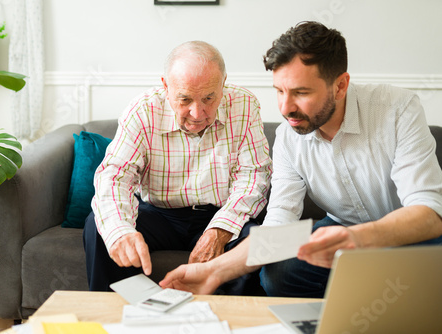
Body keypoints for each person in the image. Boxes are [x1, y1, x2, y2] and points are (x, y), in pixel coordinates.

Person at [159, 21, 442, 298]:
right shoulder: (288, 137)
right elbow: (279, 225)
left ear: (341, 86)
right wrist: (214, 271)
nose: (285, 107)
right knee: (278, 273)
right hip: (341, 227)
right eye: (279, 91)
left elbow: (429, 213)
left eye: (301, 93)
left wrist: (361, 238)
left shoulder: (397, 109)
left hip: (411, 232)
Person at [83, 40, 272, 292]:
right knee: (99, 224)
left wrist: (220, 228)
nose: (197, 112)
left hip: (219, 213)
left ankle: (228, 325)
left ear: (223, 83)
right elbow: (115, 177)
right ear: (166, 86)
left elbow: (254, 176)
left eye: (208, 98)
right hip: (159, 214)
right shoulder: (142, 111)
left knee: (253, 242)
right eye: (185, 99)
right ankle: (120, 320)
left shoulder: (245, 105)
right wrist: (120, 230)